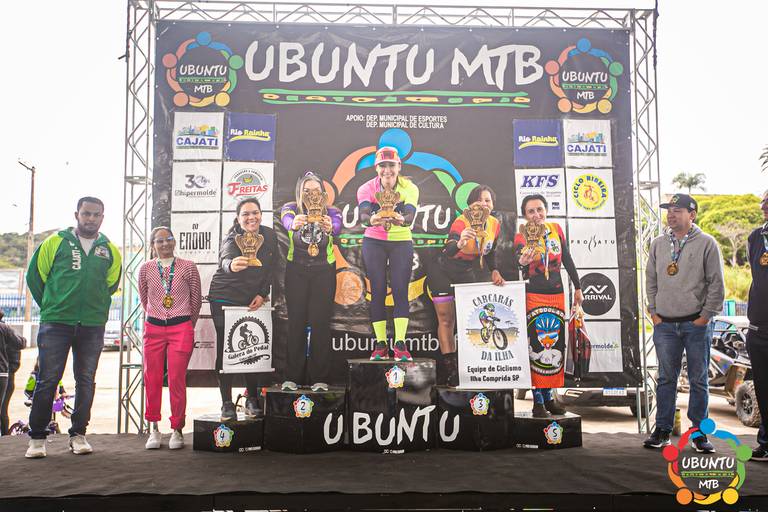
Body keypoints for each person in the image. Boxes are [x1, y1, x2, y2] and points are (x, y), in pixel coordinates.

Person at [24, 196, 122, 458]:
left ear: (102, 217)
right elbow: (35, 277)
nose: (91, 218)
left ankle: (78, 434)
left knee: (86, 380)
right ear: (76, 214)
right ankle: (37, 438)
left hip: (92, 325)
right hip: (56, 323)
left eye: (96, 214)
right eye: (86, 213)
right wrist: (52, 305)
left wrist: (94, 307)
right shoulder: (55, 242)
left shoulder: (109, 250)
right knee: (48, 380)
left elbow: (111, 285)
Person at [644, 193, 724, 452]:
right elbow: (650, 280)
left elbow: (716, 284)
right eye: (669, 210)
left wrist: (705, 316)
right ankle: (663, 430)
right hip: (665, 324)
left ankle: (699, 434)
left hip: (696, 324)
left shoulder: (707, 243)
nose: (671, 214)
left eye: (677, 210)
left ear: (692, 215)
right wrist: (654, 312)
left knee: (698, 380)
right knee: (666, 378)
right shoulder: (658, 244)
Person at [513, 194, 582, 418]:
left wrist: (578, 287)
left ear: (546, 210)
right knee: (537, 346)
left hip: (557, 295)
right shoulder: (521, 235)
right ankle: (538, 402)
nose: (536, 215)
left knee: (555, 345)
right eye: (531, 211)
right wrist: (522, 261)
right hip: (534, 295)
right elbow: (518, 261)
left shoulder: (556, 229)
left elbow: (567, 259)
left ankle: (550, 398)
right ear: (525, 215)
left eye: (539, 209)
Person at [208, 198, 277, 421]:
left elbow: (272, 269)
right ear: (238, 218)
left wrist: (262, 294)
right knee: (226, 349)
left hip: (250, 300)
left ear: (261, 214)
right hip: (224, 298)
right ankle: (226, 403)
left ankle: (252, 399)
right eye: (245, 214)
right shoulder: (232, 238)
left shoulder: (269, 236)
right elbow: (225, 259)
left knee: (252, 348)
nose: (251, 217)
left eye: (255, 212)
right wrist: (231, 265)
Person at [428, 185, 504, 385]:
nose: (483, 204)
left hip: (466, 272)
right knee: (447, 320)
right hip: (442, 271)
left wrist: (494, 270)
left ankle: (471, 367)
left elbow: (491, 251)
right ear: (470, 206)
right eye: (479, 200)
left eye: (487, 200)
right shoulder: (462, 221)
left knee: (470, 321)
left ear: (493, 205)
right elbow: (449, 249)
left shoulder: (495, 224)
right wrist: (460, 243)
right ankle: (451, 370)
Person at [138, 226, 201, 450]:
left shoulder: (188, 267)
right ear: (152, 245)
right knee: (152, 378)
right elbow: (144, 299)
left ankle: (177, 429)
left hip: (181, 327)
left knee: (176, 379)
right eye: (159, 240)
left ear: (174, 242)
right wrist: (157, 315)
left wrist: (186, 324)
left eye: (169, 239)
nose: (164, 244)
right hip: (154, 327)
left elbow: (196, 301)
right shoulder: (145, 269)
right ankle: (154, 428)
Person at [279, 172, 342, 391]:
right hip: (296, 270)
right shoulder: (290, 208)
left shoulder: (331, 211)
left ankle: (320, 378)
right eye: (307, 191)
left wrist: (330, 226)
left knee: (320, 323)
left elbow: (337, 226)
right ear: (300, 192)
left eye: (316, 191)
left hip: (324, 271)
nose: (312, 195)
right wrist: (293, 223)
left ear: (323, 193)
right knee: (296, 323)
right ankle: (292, 377)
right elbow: (286, 220)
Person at [357, 146, 419, 362]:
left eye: (391, 165)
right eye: (382, 165)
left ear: (399, 166)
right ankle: (381, 345)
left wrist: (402, 219)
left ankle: (400, 344)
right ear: (376, 168)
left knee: (400, 290)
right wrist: (371, 219)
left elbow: (410, 216)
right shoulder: (366, 188)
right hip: (374, 242)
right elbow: (364, 215)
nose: (387, 170)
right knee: (378, 291)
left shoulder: (410, 188)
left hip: (401, 241)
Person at [746, 190, 768, 461]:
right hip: (759, 329)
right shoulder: (756, 237)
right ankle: (765, 441)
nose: (764, 206)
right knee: (763, 389)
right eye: (763, 202)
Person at [0, 311, 24, 435]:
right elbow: (21, 343)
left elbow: (20, 345)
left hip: (6, 376)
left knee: (2, 411)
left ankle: (4, 436)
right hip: (4, 375)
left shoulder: (6, 331)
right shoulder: (6, 330)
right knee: (2, 410)